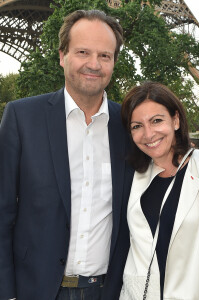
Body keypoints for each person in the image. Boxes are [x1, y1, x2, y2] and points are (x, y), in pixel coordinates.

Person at [0, 10, 133, 300]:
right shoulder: (21, 118)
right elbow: (2, 213)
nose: (94, 64)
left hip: (107, 290)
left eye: (105, 56)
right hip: (34, 290)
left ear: (114, 63)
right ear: (62, 56)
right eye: (83, 52)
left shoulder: (129, 125)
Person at [120, 81, 199, 300]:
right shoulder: (136, 175)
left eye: (157, 120)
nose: (148, 134)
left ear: (176, 120)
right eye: (137, 126)